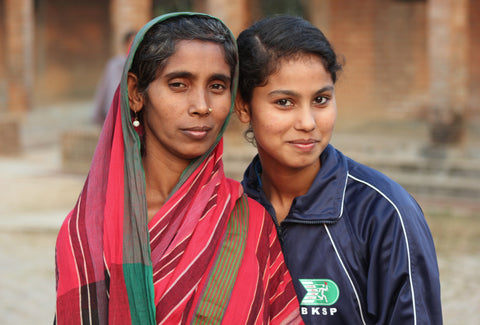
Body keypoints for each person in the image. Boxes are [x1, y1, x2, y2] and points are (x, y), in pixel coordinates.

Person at [55, 12, 303, 324]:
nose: (201, 105)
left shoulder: (249, 223)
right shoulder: (86, 234)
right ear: (135, 94)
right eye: (178, 84)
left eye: (217, 85)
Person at [235, 15, 443, 324]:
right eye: (284, 102)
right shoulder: (230, 213)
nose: (307, 123)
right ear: (243, 107)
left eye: (321, 99)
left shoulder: (384, 214)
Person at [91, 30, 136, 125]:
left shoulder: (142, 64)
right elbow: (104, 88)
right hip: (114, 111)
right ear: (125, 45)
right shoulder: (115, 64)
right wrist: (97, 113)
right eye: (131, 43)